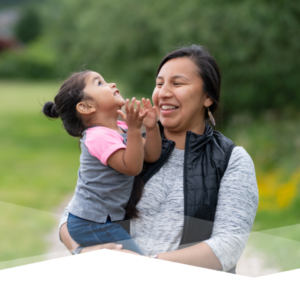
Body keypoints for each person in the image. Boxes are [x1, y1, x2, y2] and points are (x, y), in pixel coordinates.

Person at [59, 45, 259, 273]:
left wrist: (144, 265)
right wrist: (81, 252)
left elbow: (227, 247)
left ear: (207, 97)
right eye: (159, 83)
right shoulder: (130, 143)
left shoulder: (232, 160)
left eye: (178, 83)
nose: (163, 92)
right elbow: (74, 213)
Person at [43, 70, 162, 255]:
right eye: (100, 83)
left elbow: (151, 155)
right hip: (91, 222)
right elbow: (132, 167)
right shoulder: (97, 136)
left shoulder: (121, 128)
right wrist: (135, 130)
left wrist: (152, 127)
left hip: (101, 220)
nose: (112, 84)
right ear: (86, 106)